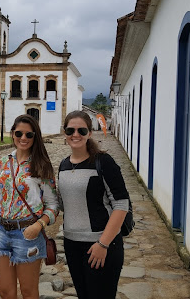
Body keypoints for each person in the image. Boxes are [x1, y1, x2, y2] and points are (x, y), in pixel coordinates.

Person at [57, 110, 130, 299]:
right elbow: (65, 204)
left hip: (100, 245)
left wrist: (103, 244)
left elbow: (121, 205)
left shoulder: (103, 162)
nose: (75, 135)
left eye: (81, 130)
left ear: (90, 133)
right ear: (64, 133)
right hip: (72, 245)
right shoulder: (64, 165)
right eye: (70, 130)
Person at [0, 114, 58, 299]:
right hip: (3, 232)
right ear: (12, 133)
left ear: (35, 137)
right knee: (6, 291)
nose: (23, 138)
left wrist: (38, 226)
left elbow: (53, 205)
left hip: (28, 234)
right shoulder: (4, 162)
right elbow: (0, 198)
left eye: (29, 135)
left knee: (29, 292)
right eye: (19, 133)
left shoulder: (41, 165)